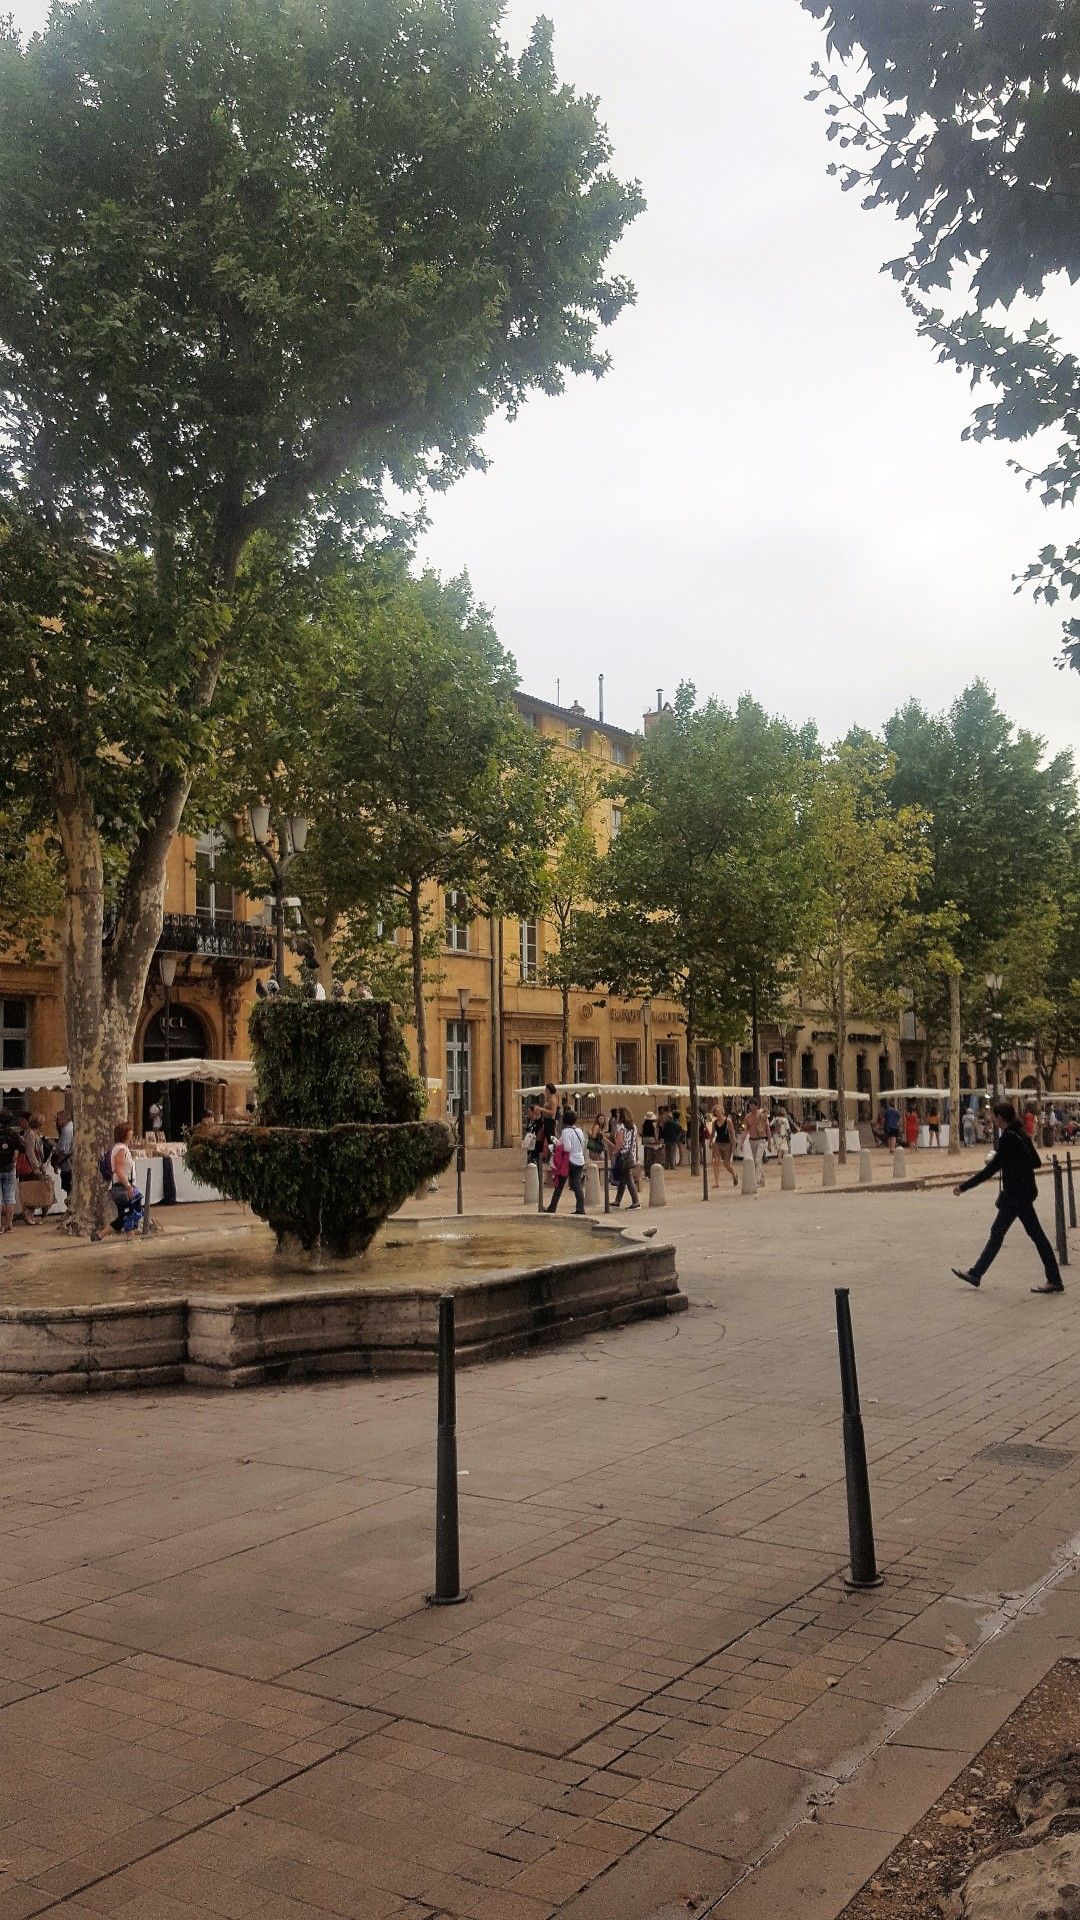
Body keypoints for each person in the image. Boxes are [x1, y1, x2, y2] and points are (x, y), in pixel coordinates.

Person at [951, 1102, 1063, 1295]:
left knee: (1018, 1234)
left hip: (1015, 1195)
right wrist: (1014, 1161)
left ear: (1000, 1118)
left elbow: (990, 1170)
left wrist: (963, 1187)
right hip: (1022, 1193)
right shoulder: (1021, 1134)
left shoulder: (1008, 1138)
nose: (993, 1121)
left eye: (995, 1117)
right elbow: (1035, 1162)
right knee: (1016, 1233)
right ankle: (976, 1273)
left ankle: (1053, 1279)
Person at [547, 1106, 586, 1215]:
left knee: (559, 1185)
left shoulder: (566, 1131)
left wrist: (559, 1147)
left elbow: (567, 1148)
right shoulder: (579, 1130)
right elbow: (583, 1144)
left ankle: (552, 1207)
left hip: (569, 1161)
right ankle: (580, 1209)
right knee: (577, 1185)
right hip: (580, 1160)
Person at [108, 1122, 143, 1233]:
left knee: (131, 1211)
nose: (132, 1133)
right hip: (121, 1186)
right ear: (124, 1134)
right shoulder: (120, 1149)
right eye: (130, 1131)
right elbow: (119, 1170)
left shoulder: (124, 1148)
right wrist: (128, 1186)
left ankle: (131, 1232)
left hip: (125, 1185)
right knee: (127, 1214)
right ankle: (101, 1234)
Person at [612, 1108, 640, 1209]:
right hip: (630, 1155)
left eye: (618, 1113)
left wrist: (613, 1152)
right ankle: (617, 1200)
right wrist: (636, 1156)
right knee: (623, 1179)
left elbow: (619, 1142)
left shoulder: (620, 1126)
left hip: (623, 1155)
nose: (617, 1115)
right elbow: (635, 1142)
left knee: (628, 1178)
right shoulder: (633, 1127)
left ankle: (636, 1202)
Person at [0, 1107, 21, 1233]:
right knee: (9, 1197)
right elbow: (21, 1148)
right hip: (9, 1167)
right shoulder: (13, 1134)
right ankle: (9, 1224)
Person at [711, 1104, 738, 1189]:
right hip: (717, 1143)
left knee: (726, 1163)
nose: (718, 1113)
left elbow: (732, 1132)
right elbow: (713, 1132)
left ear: (722, 1111)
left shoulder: (728, 1121)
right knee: (716, 1161)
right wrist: (711, 1141)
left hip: (727, 1143)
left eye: (719, 1111)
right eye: (716, 1112)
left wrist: (734, 1144)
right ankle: (716, 1182)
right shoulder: (714, 1122)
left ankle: (734, 1174)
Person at [745, 1099, 769, 1185]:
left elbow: (767, 1129)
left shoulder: (762, 1115)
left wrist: (769, 1143)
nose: (751, 1107)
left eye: (752, 1105)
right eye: (750, 1105)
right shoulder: (747, 1117)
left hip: (761, 1139)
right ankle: (762, 1178)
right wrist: (741, 1142)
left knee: (758, 1160)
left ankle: (757, 1180)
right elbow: (745, 1130)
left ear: (756, 1106)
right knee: (757, 1160)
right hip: (752, 1140)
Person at [54, 1109, 74, 1198]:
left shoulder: (66, 1131)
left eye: (59, 1119)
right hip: (68, 1164)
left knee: (68, 1187)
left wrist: (57, 1162)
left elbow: (64, 1150)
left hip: (67, 1164)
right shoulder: (68, 1128)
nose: (57, 1122)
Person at [659, 1105, 681, 1171]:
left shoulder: (667, 1123)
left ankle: (666, 1165)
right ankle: (672, 1165)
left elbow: (663, 1130)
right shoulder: (677, 1124)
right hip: (673, 1139)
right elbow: (679, 1132)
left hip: (667, 1139)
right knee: (672, 1152)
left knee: (667, 1152)